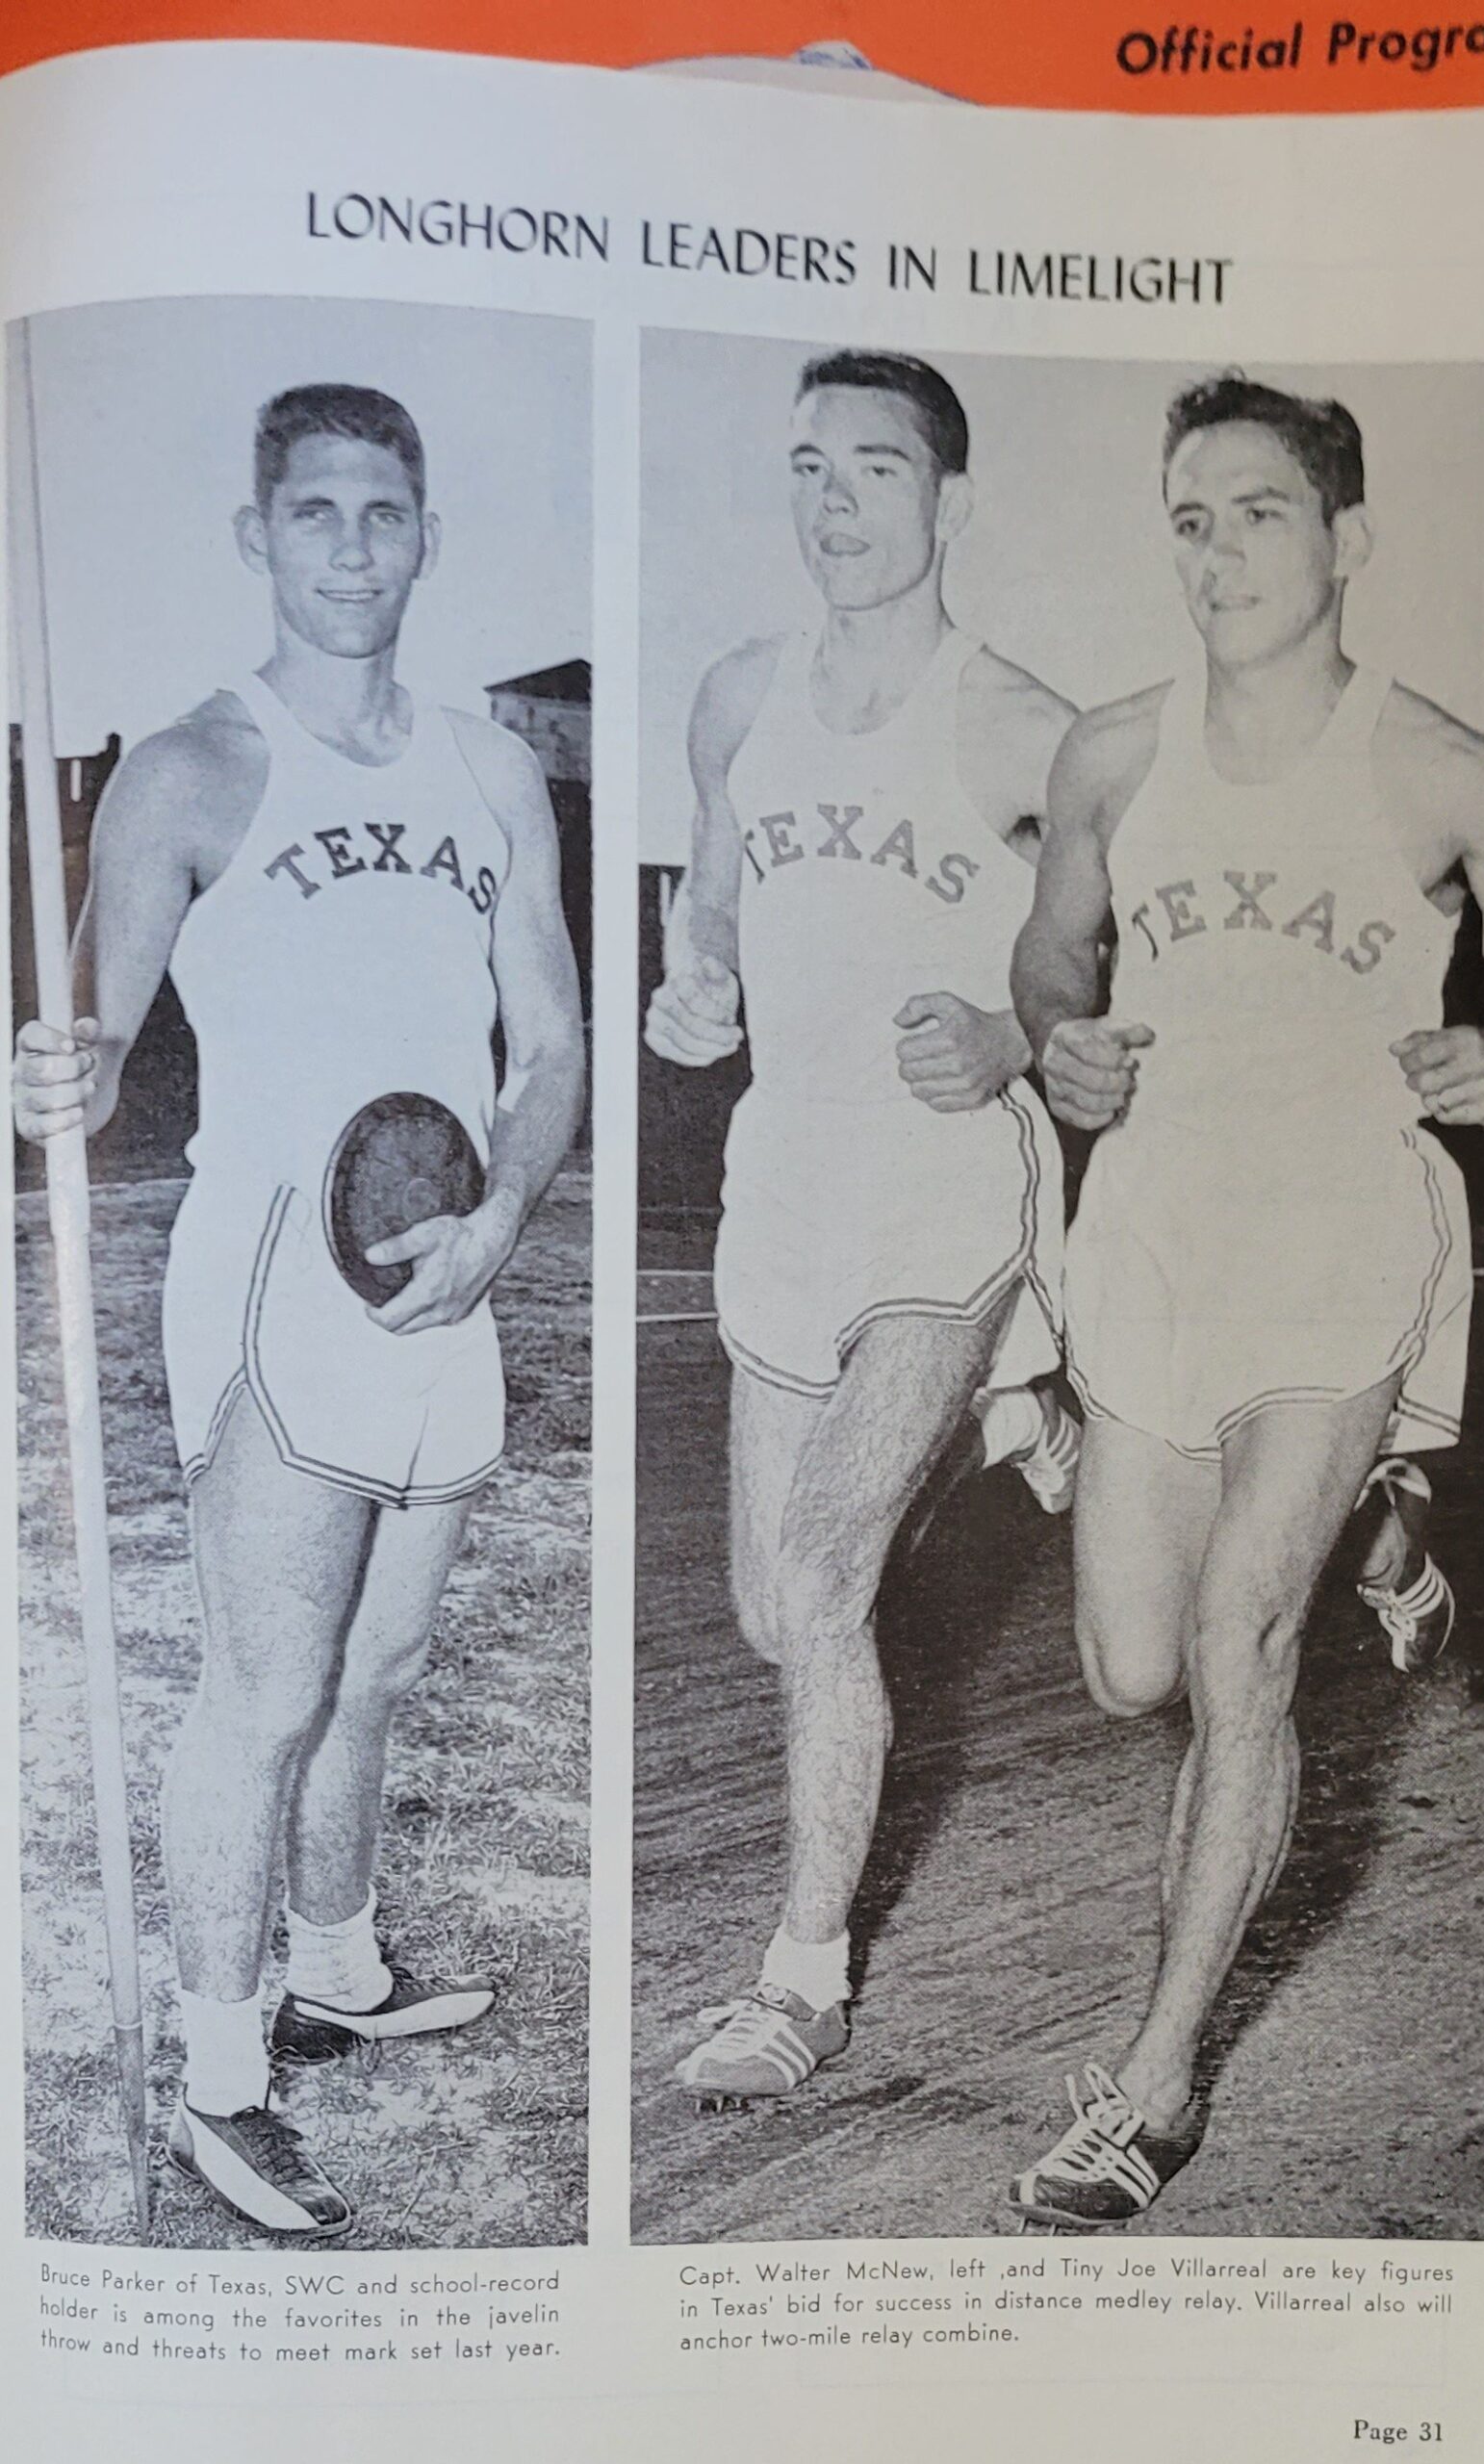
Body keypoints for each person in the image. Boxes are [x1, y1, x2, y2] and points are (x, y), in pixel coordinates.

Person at [13, 382, 586, 2238]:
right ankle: (220, 2075)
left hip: (444, 1260)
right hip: (272, 1268)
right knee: (262, 1696)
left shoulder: (493, 767)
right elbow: (94, 1056)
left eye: (385, 511)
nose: (353, 543)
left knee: (386, 1670)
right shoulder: (189, 769)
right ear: (259, 538)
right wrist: (58, 1070)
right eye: (317, 510)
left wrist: (507, 1208)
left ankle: (334, 1967)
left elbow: (553, 1043)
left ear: (425, 536)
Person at [1009, 371, 1484, 2227]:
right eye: (1189, 516)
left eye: (1259, 512)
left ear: (1345, 542)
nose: (1219, 550)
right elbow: (1049, 971)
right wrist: (1060, 1052)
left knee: (1240, 1645)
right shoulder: (1108, 755)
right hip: (1155, 1235)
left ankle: (1152, 2090)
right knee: (1130, 1666)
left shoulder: (1448, 770)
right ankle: (1389, 1536)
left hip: (1339, 1236)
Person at [645, 349, 1077, 2105]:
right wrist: (691, 989)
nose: (831, 502)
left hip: (943, 1182)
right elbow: (713, 912)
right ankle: (1005, 1410)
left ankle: (798, 1982)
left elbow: (1118, 967)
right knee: (769, 1611)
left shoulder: (1024, 723)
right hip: (790, 1188)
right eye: (807, 467)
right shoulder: (739, 696)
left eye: (873, 470)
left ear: (950, 502)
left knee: (824, 1580)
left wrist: (1013, 1036)